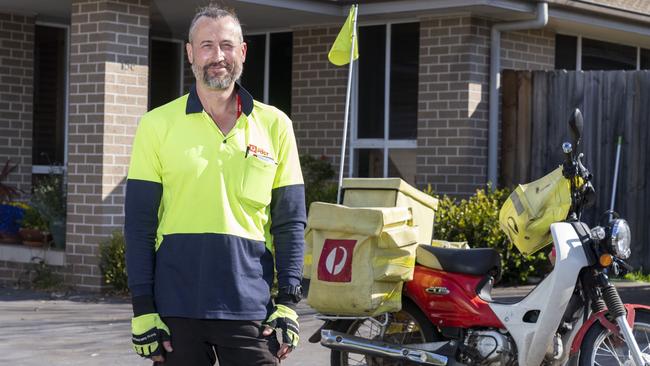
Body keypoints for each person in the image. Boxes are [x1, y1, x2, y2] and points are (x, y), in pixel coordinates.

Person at [124, 5, 306, 365]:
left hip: (250, 308)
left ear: (242, 52)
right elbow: (139, 226)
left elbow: (290, 223)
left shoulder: (275, 125)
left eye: (226, 44)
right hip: (175, 309)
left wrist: (288, 302)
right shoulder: (156, 125)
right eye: (206, 45)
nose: (217, 55)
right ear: (190, 53)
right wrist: (143, 309)